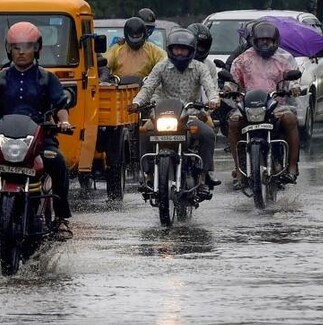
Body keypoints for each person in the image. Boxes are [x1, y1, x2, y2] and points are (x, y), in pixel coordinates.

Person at [0, 22, 74, 236]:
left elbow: (61, 105)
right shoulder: (0, 77)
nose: (21, 52)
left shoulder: (46, 78)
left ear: (37, 49)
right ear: (9, 49)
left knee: (57, 162)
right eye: (16, 47)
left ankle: (61, 218)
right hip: (3, 140)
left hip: (40, 140)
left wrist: (64, 122)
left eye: (27, 46)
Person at [129, 28, 221, 200]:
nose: (179, 52)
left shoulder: (200, 68)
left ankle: (202, 178)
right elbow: (148, 88)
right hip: (165, 115)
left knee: (208, 133)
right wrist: (136, 102)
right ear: (170, 49)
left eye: (183, 49)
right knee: (144, 131)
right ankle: (148, 176)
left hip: (190, 116)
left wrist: (214, 99)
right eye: (176, 48)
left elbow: (210, 87)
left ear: (191, 50)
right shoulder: (161, 67)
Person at [228, 20, 302, 186]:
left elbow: (293, 80)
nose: (265, 43)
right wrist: (228, 88)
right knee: (233, 123)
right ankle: (239, 170)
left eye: (268, 40)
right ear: (254, 41)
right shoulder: (242, 60)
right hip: (248, 107)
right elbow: (232, 81)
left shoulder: (284, 60)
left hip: (276, 106)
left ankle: (292, 166)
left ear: (275, 42)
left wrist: (295, 88)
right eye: (261, 40)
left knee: (290, 119)